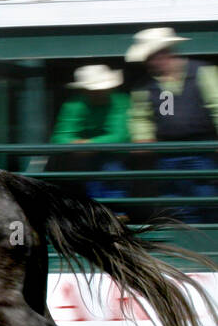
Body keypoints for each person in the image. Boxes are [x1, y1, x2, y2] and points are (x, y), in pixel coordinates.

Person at [126, 27, 218, 224]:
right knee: (174, 201)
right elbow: (140, 117)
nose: (150, 62)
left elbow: (217, 104)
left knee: (205, 197)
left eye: (152, 56)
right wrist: (142, 138)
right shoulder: (145, 86)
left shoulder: (202, 72)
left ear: (166, 53)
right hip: (166, 152)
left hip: (202, 149)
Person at [50, 64, 130, 203]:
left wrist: (88, 145)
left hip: (113, 159)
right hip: (81, 163)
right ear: (84, 90)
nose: (99, 92)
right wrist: (75, 145)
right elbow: (59, 137)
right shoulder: (73, 105)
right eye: (93, 90)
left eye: (102, 89)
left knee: (113, 173)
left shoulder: (121, 101)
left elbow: (121, 136)